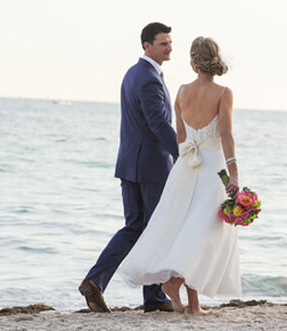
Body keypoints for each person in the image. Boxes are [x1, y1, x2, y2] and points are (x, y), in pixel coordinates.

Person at [119, 36, 241, 314]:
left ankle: (194, 305)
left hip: (185, 166)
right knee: (204, 233)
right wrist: (233, 173)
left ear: (192, 62)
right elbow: (225, 135)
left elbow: (181, 139)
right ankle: (174, 282)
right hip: (212, 168)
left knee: (188, 230)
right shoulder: (224, 93)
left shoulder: (182, 92)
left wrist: (179, 173)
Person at [78, 22, 179, 313]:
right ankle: (154, 298)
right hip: (151, 167)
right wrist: (181, 154)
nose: (169, 48)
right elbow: (158, 123)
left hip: (129, 164)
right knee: (155, 229)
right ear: (147, 46)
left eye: (170, 43)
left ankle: (96, 281)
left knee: (136, 226)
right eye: (163, 43)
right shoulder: (148, 78)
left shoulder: (133, 74)